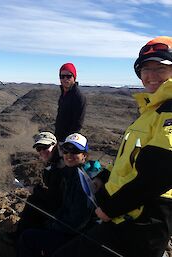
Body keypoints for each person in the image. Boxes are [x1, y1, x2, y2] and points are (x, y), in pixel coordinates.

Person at [52, 36, 172, 257]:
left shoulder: (168, 111)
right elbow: (133, 166)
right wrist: (105, 180)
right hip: (125, 214)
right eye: (146, 68)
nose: (151, 76)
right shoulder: (151, 111)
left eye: (161, 68)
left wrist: (110, 208)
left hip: (143, 220)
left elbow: (161, 174)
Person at [17, 133, 96, 257]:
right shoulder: (70, 174)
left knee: (27, 238)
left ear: (84, 156)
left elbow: (76, 221)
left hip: (76, 237)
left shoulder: (82, 182)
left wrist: (51, 226)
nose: (69, 155)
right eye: (66, 151)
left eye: (74, 151)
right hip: (69, 228)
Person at [13, 131, 64, 239]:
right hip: (61, 205)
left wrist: (35, 190)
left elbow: (54, 197)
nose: (41, 151)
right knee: (35, 199)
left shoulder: (59, 166)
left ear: (54, 145)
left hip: (62, 211)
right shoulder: (55, 163)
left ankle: (20, 236)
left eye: (44, 147)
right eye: (38, 149)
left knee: (33, 201)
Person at [55, 63, 86, 144]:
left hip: (67, 142)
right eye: (62, 76)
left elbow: (78, 124)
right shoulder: (64, 93)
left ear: (74, 78)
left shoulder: (78, 96)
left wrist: (68, 143)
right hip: (59, 138)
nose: (65, 79)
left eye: (68, 76)